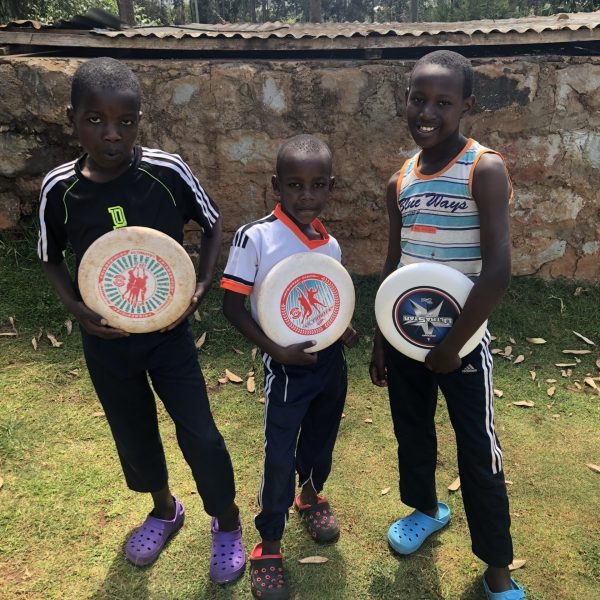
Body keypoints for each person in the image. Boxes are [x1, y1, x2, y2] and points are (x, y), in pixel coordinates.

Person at [37, 57, 245, 583]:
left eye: (125, 122)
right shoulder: (58, 189)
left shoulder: (166, 171)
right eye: (95, 120)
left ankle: (227, 521)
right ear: (72, 119)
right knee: (132, 431)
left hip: (168, 337)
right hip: (106, 343)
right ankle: (162, 508)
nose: (111, 134)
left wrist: (199, 283)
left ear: (140, 120)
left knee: (200, 433)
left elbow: (214, 222)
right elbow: (49, 256)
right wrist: (78, 310)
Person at [370, 50, 524, 600]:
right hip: (408, 341)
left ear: (467, 106)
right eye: (418, 98)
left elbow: (498, 270)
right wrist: (382, 340)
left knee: (478, 449)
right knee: (411, 432)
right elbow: (394, 266)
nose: (427, 111)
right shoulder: (400, 181)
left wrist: (453, 347)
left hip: (462, 346)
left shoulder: (484, 168)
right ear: (406, 100)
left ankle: (497, 568)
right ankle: (426, 508)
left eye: (443, 101)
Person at [221, 134, 358, 600]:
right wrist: (277, 353)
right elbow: (232, 308)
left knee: (321, 441)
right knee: (279, 455)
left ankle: (311, 495)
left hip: (329, 364)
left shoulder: (331, 246)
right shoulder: (255, 237)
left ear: (330, 188)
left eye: (318, 185)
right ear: (276, 186)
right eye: (295, 186)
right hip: (286, 371)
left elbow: (326, 301)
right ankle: (269, 545)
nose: (306, 196)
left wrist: (342, 329)